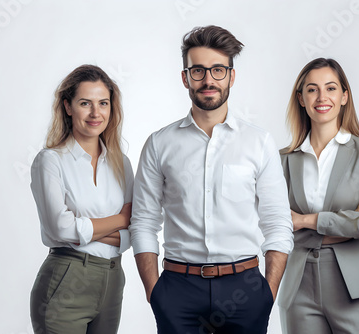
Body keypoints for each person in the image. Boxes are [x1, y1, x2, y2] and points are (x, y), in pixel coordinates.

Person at [130, 25, 294, 334]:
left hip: (245, 287)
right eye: (198, 71)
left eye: (218, 70)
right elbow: (144, 221)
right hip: (178, 288)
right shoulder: (159, 143)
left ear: (232, 76)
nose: (208, 80)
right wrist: (155, 293)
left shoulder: (259, 142)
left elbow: (277, 223)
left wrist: (267, 293)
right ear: (185, 78)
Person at [278, 58, 359, 334]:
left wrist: (304, 221)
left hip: (358, 289)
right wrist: (347, 222)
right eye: (312, 89)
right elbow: (275, 228)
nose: (322, 97)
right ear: (301, 98)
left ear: (344, 96)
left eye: (330, 88)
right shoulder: (281, 160)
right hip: (299, 288)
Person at [30, 64, 133, 334]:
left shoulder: (122, 163)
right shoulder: (51, 161)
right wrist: (120, 220)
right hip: (67, 278)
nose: (95, 113)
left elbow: (135, 229)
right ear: (67, 106)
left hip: (113, 280)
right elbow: (60, 228)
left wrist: (85, 229)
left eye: (103, 103)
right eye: (85, 103)